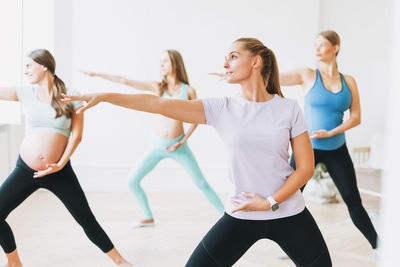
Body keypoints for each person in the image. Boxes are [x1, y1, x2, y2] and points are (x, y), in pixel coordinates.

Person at [64, 38, 332, 267]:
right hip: (241, 214)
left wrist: (269, 202)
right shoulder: (221, 108)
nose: (225, 64)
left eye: (233, 57)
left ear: (256, 61)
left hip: (290, 214)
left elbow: (305, 169)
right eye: (224, 58)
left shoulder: (288, 109)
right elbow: (157, 104)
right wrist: (106, 96)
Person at [0, 49, 132, 267]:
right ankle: (14, 261)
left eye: (28, 66)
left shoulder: (71, 95)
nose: (25, 71)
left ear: (44, 66)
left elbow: (77, 135)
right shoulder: (25, 92)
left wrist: (60, 164)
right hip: (25, 170)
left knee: (86, 219)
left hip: (58, 171)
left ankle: (120, 261)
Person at [81, 50, 224, 228]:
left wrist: (182, 141)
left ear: (175, 64)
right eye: (160, 62)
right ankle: (148, 217)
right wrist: (97, 74)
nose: (161, 65)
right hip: (157, 145)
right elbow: (125, 80)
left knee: (201, 183)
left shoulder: (189, 90)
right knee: (132, 180)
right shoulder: (158, 87)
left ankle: (225, 216)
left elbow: (197, 118)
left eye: (164, 61)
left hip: (178, 146)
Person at [280, 30, 378, 252]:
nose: (316, 49)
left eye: (322, 45)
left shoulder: (349, 81)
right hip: (307, 149)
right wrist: (246, 70)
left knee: (353, 199)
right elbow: (273, 76)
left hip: (337, 148)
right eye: (314, 45)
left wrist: (332, 132)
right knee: (289, 196)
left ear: (335, 48)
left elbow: (356, 117)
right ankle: (285, 245)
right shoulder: (307, 75)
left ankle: (378, 246)